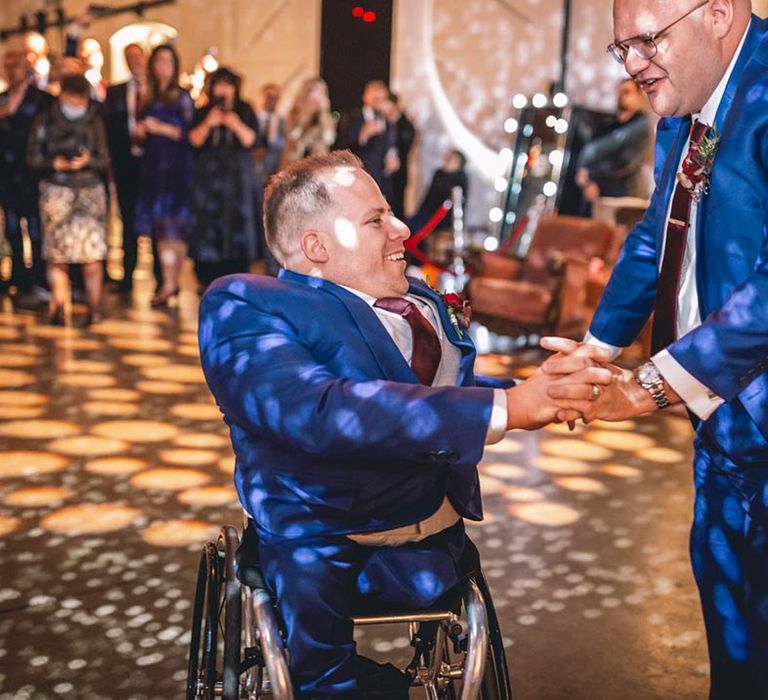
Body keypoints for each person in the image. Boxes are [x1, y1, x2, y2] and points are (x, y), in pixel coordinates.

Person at [198, 150, 606, 698]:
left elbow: (434, 397)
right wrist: (509, 409)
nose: (402, 227)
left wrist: (545, 395)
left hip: (429, 533)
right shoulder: (245, 305)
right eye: (375, 219)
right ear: (317, 246)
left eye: (390, 212)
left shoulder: (418, 300)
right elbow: (317, 410)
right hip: (319, 539)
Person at [543, 1, 768, 697]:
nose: (634, 62)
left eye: (647, 39)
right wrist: (594, 352)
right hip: (725, 421)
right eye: (622, 48)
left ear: (721, 15)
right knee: (734, 627)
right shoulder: (689, 104)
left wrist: (648, 385)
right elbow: (655, 236)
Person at [26, 74, 110, 325]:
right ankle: (60, 307)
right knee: (57, 255)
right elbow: (32, 156)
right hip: (56, 191)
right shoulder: (45, 119)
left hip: (88, 192)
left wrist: (88, 162)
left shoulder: (94, 120)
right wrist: (54, 163)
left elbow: (104, 158)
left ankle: (94, 310)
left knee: (92, 256)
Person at [134, 44, 193, 307]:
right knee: (159, 229)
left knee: (175, 229)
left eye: (168, 62)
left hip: (177, 169)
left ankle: (171, 282)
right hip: (153, 168)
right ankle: (169, 282)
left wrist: (159, 128)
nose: (162, 67)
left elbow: (189, 134)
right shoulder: (148, 96)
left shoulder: (182, 96)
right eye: (158, 62)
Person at [188, 67, 258, 289]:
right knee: (207, 220)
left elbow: (251, 140)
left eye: (227, 85)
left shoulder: (245, 109)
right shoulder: (203, 110)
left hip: (237, 177)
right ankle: (206, 273)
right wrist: (209, 123)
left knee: (237, 219)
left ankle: (238, 270)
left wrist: (234, 123)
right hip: (208, 176)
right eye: (219, 84)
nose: (223, 89)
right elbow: (194, 140)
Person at [0, 44, 54, 305]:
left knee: (36, 229)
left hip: (33, 175)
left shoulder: (41, 99)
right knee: (12, 228)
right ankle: (18, 275)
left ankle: (39, 278)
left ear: (27, 68)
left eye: (16, 65)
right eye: (6, 66)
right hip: (6, 175)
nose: (11, 70)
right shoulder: (2, 99)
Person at [102, 42, 148, 292]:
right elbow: (109, 128)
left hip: (153, 165)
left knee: (153, 219)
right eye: (128, 57)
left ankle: (162, 280)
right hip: (125, 164)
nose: (134, 61)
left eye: (137, 56)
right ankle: (127, 275)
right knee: (127, 220)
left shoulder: (156, 90)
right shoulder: (116, 91)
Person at [574, 77, 652, 212]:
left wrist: (592, 175)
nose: (621, 96)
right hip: (595, 193)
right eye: (619, 92)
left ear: (638, 96)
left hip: (621, 196)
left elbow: (626, 162)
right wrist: (588, 180)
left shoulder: (639, 126)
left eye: (627, 92)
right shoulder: (608, 124)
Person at [339, 80, 399, 202]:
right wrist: (363, 135)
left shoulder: (388, 121)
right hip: (358, 178)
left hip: (381, 181)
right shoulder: (353, 118)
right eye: (375, 98)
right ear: (365, 97)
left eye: (382, 98)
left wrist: (393, 159)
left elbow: (392, 145)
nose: (379, 102)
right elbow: (343, 146)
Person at [251, 82, 285, 268]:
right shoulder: (252, 119)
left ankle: (270, 264)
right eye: (268, 96)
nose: (271, 100)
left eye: (275, 97)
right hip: (252, 177)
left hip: (274, 178)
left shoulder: (282, 122)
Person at [281, 77, 336, 166]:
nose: (315, 97)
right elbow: (292, 135)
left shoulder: (326, 117)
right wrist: (305, 114)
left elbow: (329, 138)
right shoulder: (294, 112)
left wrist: (323, 113)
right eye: (312, 91)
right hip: (294, 162)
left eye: (319, 92)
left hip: (317, 163)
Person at [382, 92, 416, 220]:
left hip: (399, 173)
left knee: (398, 205)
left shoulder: (405, 124)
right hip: (383, 173)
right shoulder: (383, 122)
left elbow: (408, 141)